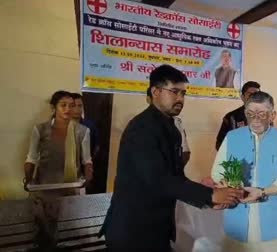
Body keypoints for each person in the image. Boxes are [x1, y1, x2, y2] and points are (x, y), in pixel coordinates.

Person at [101, 65, 244, 251]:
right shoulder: (142, 129)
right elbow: (157, 179)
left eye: (183, 93)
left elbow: (176, 177)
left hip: (156, 226)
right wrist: (210, 195)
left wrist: (210, 198)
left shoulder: (170, 128)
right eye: (174, 92)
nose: (180, 99)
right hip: (133, 229)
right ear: (155, 91)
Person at [212, 91, 277, 252]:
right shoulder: (232, 137)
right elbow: (217, 171)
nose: (255, 119)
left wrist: (262, 191)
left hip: (273, 221)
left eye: (261, 114)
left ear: (272, 115)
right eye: (250, 114)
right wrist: (226, 182)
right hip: (237, 219)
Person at [24, 90, 93, 249]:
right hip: (44, 189)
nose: (68, 109)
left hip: (69, 189)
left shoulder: (82, 131)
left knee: (66, 234)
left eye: (72, 105)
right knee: (42, 233)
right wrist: (28, 179)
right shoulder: (40, 130)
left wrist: (87, 177)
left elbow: (86, 160)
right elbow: (31, 158)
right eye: (63, 105)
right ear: (53, 108)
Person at [146, 93, 191, 167]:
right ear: (148, 99)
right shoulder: (141, 123)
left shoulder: (176, 122)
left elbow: (185, 152)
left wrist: (175, 170)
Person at [215, 81, 260, 150]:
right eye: (250, 94)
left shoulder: (265, 117)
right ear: (242, 97)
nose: (253, 98)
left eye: (257, 95)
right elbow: (219, 143)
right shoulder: (231, 117)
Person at [71, 93, 99, 158]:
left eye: (80, 106)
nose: (77, 109)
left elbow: (96, 147)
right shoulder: (63, 126)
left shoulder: (90, 126)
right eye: (73, 106)